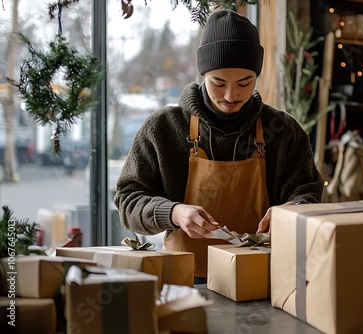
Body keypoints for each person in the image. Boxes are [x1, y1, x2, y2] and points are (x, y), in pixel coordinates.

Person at [113, 9, 324, 281]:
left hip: (261, 278)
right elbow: (128, 201)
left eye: (245, 82)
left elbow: (309, 191)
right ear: (203, 74)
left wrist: (293, 209)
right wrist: (174, 212)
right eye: (219, 82)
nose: (231, 95)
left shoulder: (282, 130)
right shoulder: (163, 129)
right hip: (184, 282)